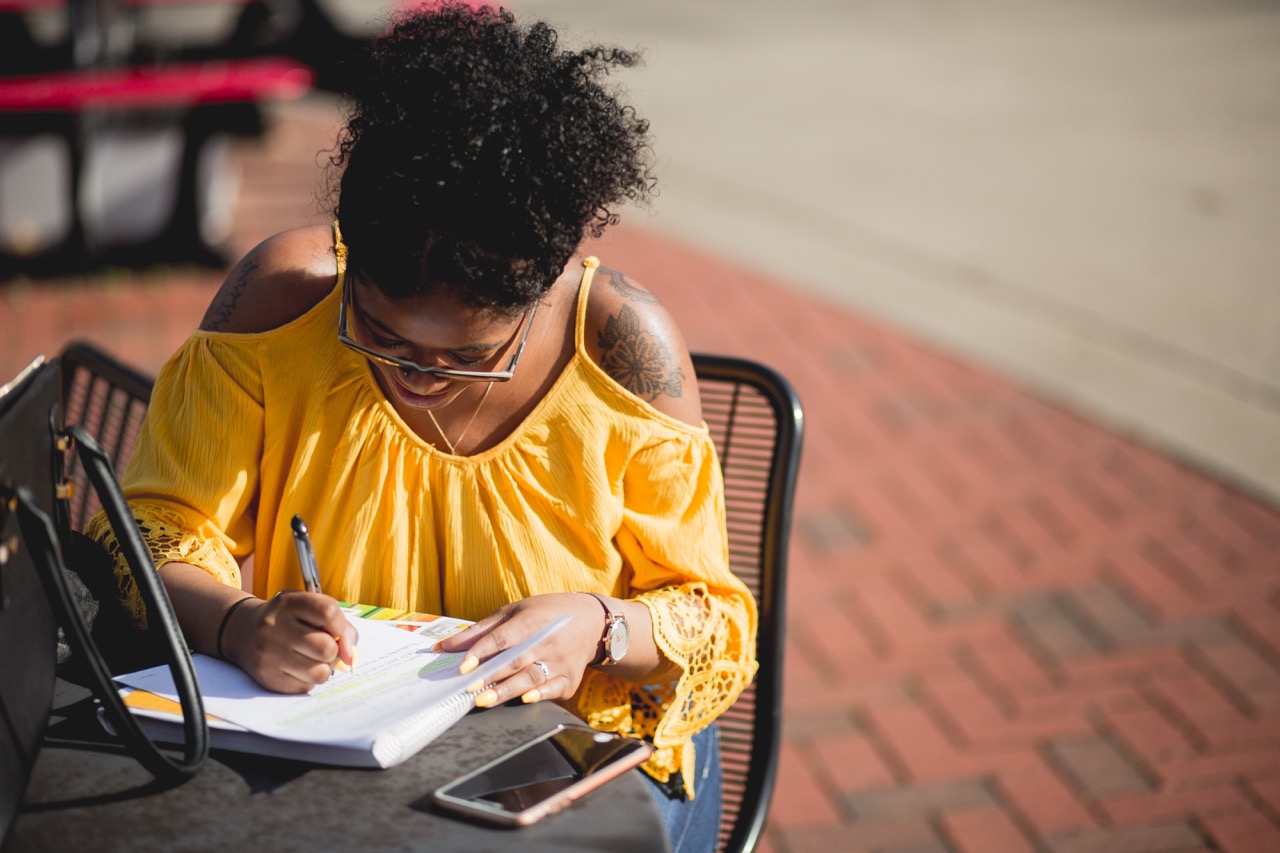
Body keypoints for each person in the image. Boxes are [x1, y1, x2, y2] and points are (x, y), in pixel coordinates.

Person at [87, 3, 756, 850]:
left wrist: (601, 624)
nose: (415, 376)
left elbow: (716, 622)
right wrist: (236, 622)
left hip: (573, 763)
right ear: (348, 259)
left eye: (467, 355)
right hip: (347, 767)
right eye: (378, 332)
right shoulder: (281, 302)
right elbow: (153, 524)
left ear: (544, 288)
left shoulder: (622, 347)